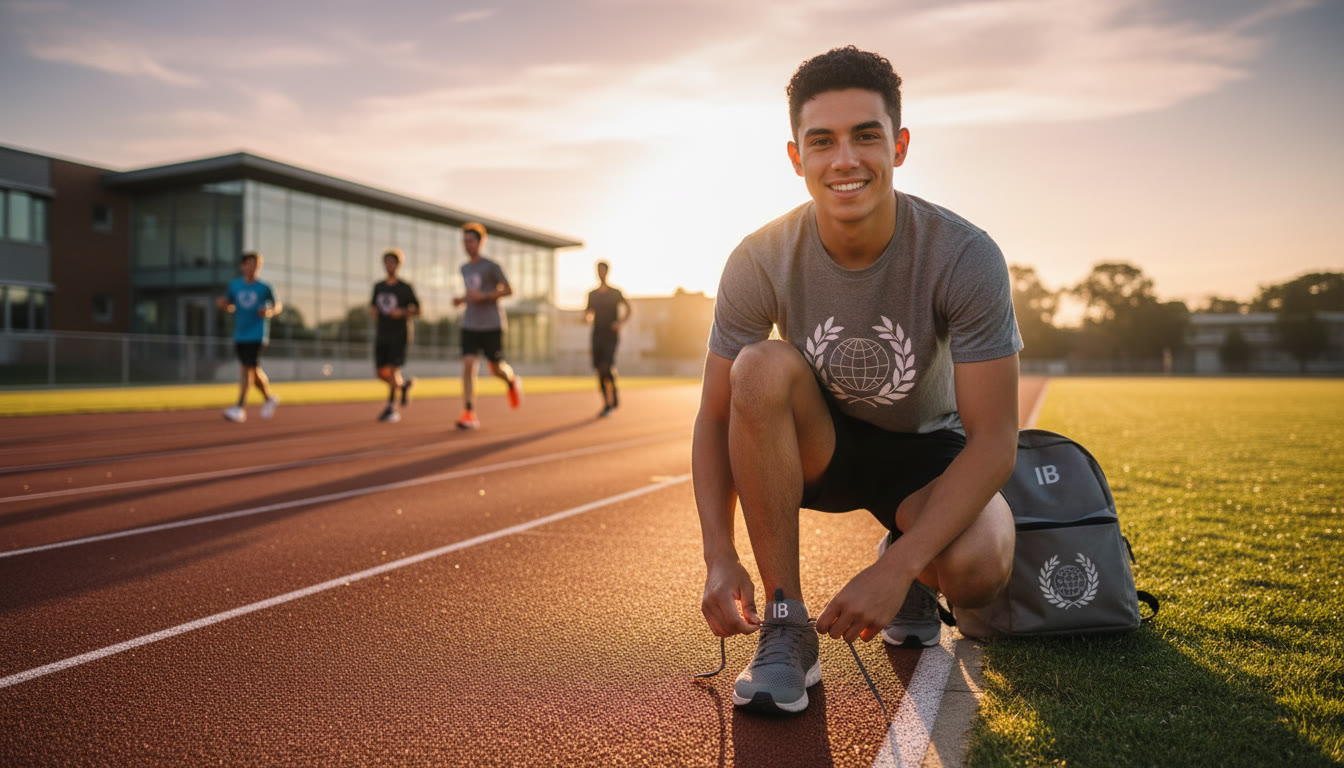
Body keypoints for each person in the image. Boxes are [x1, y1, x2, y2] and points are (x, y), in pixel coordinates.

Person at [693, 46, 1022, 715]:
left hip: (926, 456)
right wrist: (719, 555)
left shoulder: (964, 254)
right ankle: (787, 625)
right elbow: (715, 417)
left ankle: (913, 573)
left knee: (978, 570)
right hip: (820, 445)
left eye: (865, 136)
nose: (845, 160)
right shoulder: (758, 258)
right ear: (797, 158)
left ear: (898, 146)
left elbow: (994, 439)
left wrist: (897, 569)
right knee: (758, 366)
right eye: (823, 142)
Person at [451, 222, 522, 429]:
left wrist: (485, 296)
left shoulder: (492, 266)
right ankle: (469, 411)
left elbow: (509, 290)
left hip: (492, 324)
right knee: (468, 363)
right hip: (470, 323)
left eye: (471, 241)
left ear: (480, 242)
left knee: (495, 368)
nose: (467, 245)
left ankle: (511, 381)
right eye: (464, 241)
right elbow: (471, 293)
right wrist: (462, 300)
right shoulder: (464, 268)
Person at [217, 251, 282, 423]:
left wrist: (269, 311)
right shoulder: (235, 286)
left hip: (257, 334)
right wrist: (223, 305)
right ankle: (269, 398)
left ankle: (239, 408)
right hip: (240, 333)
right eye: (249, 264)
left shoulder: (264, 287)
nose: (252, 267)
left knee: (246, 370)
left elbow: (277, 306)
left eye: (256, 264)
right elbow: (229, 305)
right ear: (243, 266)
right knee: (252, 370)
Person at [369, 248, 420, 423]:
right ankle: (403, 385)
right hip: (382, 332)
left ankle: (391, 407)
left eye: (392, 262)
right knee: (380, 372)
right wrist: (373, 311)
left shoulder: (405, 288)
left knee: (392, 369)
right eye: (387, 262)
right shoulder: (378, 287)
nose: (389, 265)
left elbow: (418, 309)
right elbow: (373, 306)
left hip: (399, 333)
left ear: (398, 265)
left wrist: (403, 312)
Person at [584, 260, 631, 417]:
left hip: (611, 335)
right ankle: (606, 402)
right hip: (597, 334)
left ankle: (612, 395)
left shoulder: (615, 293)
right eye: (598, 271)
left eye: (603, 270)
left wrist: (620, 322)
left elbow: (628, 309)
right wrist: (585, 318)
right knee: (599, 370)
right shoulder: (592, 294)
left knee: (606, 366)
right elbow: (588, 313)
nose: (600, 273)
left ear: (607, 272)